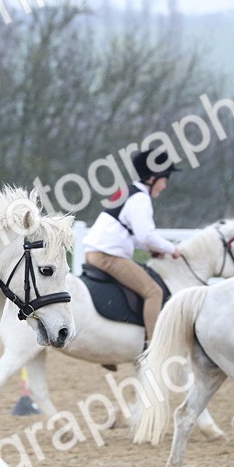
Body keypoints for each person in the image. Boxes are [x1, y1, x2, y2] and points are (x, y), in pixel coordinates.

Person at [82, 147, 181, 345]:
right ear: (153, 178)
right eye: (165, 179)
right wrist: (172, 249)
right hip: (108, 256)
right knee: (154, 292)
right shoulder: (140, 198)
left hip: (95, 252)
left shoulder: (127, 191)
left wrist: (152, 250)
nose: (165, 185)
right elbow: (146, 236)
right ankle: (154, 347)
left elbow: (132, 234)